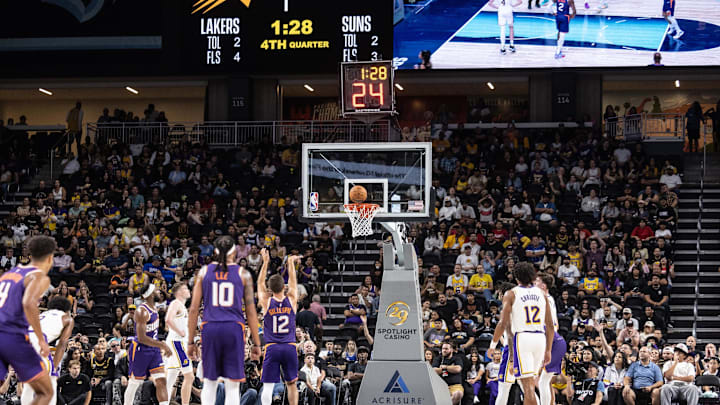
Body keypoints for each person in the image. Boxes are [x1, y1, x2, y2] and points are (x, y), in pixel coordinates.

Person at [187, 235, 262, 405]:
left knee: (210, 382)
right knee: (232, 384)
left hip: (210, 327)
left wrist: (191, 341)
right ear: (234, 251)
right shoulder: (243, 274)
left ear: (214, 252)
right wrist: (256, 344)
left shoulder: (204, 272)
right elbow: (251, 312)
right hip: (233, 328)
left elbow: (193, 310)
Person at [0, 235, 57, 405]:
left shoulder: (11, 273)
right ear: (50, 257)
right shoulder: (39, 276)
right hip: (11, 337)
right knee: (46, 392)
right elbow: (29, 303)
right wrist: (41, 339)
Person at [498, 263, 554, 405]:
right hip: (541, 339)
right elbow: (550, 325)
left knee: (522, 387)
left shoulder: (513, 295)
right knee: (531, 384)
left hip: (521, 340)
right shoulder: (542, 295)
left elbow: (506, 328)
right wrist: (548, 349)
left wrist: (510, 357)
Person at [256, 249, 299, 405]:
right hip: (289, 346)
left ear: (270, 288)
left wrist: (265, 262)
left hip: (272, 347)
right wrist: (290, 263)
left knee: (268, 386)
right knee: (292, 384)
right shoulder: (292, 300)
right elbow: (294, 283)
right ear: (284, 287)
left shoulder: (266, 302)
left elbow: (259, 283)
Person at [123, 284, 172, 405]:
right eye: (156, 290)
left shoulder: (154, 306)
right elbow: (141, 338)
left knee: (161, 380)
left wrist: (159, 346)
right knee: (135, 382)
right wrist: (163, 345)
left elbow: (165, 297)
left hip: (154, 350)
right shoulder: (142, 311)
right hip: (141, 349)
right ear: (150, 294)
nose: (158, 292)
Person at [21, 297, 74, 405]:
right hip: (36, 343)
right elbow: (62, 344)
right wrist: (54, 367)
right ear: (67, 310)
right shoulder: (67, 318)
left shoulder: (42, 315)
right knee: (51, 381)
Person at [536, 273, 567, 405]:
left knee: (542, 381)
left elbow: (552, 325)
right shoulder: (548, 298)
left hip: (552, 340)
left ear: (543, 285)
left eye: (536, 281)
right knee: (545, 380)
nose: (533, 283)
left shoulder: (544, 299)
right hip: (552, 339)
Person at [163, 283, 194, 405]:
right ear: (179, 292)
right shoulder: (176, 303)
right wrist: (179, 331)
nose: (188, 290)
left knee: (171, 378)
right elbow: (168, 320)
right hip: (176, 343)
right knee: (189, 376)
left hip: (178, 343)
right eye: (185, 288)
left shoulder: (181, 306)